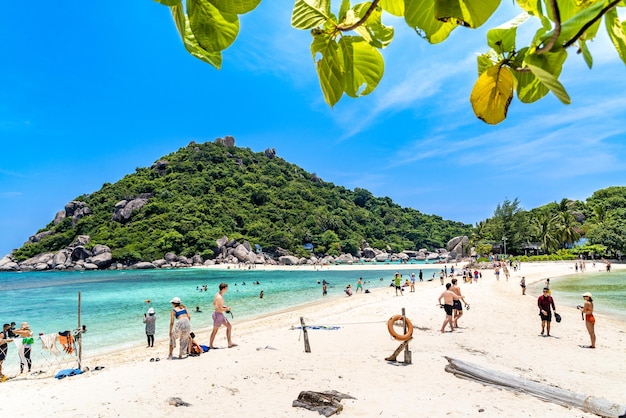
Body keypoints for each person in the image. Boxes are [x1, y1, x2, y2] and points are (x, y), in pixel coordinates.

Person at [210, 283, 236, 349]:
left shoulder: (217, 294)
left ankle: (229, 343)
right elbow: (219, 308)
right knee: (215, 331)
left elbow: (214, 303)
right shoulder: (219, 297)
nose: (227, 289)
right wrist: (226, 309)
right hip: (218, 315)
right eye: (226, 288)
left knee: (229, 326)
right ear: (223, 288)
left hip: (219, 314)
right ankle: (211, 345)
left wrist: (223, 306)